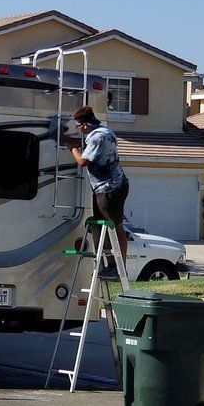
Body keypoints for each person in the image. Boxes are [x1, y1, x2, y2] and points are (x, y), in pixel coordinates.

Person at [67, 106, 129, 279]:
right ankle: (111, 264)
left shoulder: (97, 137)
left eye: (79, 126)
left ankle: (117, 268)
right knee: (106, 226)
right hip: (112, 186)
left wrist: (72, 148)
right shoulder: (106, 131)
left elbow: (82, 161)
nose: (79, 129)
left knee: (115, 227)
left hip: (110, 188)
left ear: (85, 124)